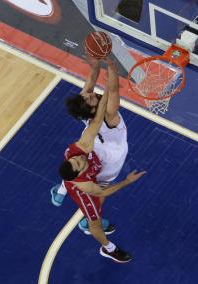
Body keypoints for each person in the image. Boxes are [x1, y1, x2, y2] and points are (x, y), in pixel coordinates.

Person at [59, 78, 146, 263]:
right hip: (84, 191)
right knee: (95, 222)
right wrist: (127, 182)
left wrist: (107, 88)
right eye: (78, 163)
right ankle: (108, 248)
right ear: (80, 173)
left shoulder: (78, 148)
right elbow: (103, 190)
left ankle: (60, 189)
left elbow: (97, 119)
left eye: (75, 159)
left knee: (101, 194)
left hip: (88, 175)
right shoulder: (85, 186)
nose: (80, 158)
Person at [51, 55, 130, 234]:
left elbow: (91, 82)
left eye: (88, 95)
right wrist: (111, 64)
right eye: (90, 99)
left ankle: (60, 192)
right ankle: (89, 223)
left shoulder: (84, 106)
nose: (91, 94)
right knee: (98, 191)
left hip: (90, 146)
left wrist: (94, 66)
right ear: (93, 109)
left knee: (74, 167)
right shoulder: (110, 115)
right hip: (109, 160)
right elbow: (114, 89)